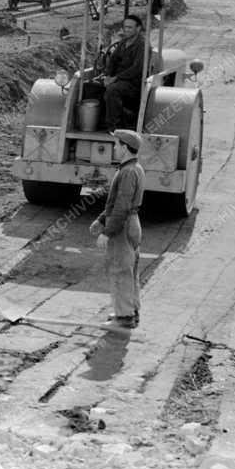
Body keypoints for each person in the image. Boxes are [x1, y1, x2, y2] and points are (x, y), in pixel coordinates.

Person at [88, 129, 145, 329]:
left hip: (124, 225)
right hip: (130, 222)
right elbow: (116, 205)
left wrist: (107, 232)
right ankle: (130, 311)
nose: (114, 147)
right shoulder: (131, 168)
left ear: (125, 147)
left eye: (117, 144)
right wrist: (102, 220)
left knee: (120, 269)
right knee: (129, 270)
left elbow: (121, 206)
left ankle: (124, 317)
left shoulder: (128, 172)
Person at [100, 15, 147, 131]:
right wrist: (107, 75)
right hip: (118, 79)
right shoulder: (123, 43)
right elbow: (113, 61)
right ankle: (96, 122)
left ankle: (115, 127)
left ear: (138, 28)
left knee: (113, 90)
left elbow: (137, 68)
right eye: (125, 27)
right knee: (90, 87)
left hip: (134, 83)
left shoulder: (143, 45)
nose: (126, 30)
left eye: (130, 27)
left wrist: (115, 78)